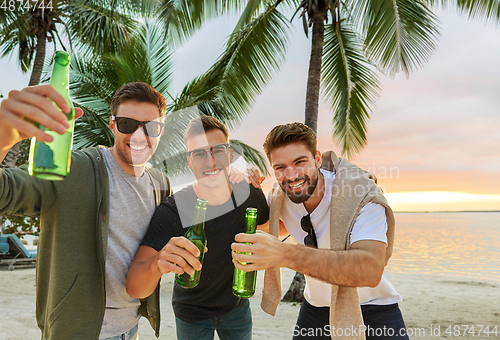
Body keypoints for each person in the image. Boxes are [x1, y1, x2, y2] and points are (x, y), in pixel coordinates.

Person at [0, 82, 171, 339]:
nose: (139, 136)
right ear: (112, 125)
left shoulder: (160, 183)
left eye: (150, 127)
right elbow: (5, 193)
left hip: (131, 328)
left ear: (161, 130)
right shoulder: (71, 169)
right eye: (127, 124)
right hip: (75, 331)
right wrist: (3, 134)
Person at [231, 122, 408, 340]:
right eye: (280, 167)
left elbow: (370, 270)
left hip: (373, 310)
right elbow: (267, 231)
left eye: (300, 162)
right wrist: (247, 190)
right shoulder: (280, 197)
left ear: (317, 158)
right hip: (315, 308)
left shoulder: (361, 195)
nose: (292, 175)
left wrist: (285, 255)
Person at [127, 116, 270, 340]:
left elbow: (271, 229)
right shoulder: (173, 210)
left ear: (230, 155)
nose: (210, 161)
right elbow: (135, 286)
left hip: (237, 307)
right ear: (189, 162)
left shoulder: (250, 194)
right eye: (199, 153)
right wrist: (158, 263)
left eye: (218, 151)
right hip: (190, 312)